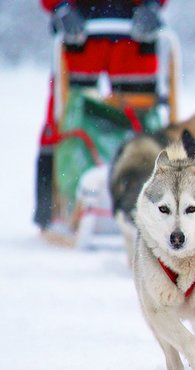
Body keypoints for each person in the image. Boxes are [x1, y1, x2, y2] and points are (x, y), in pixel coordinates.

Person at [34, 0, 167, 230]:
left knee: (143, 119)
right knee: (65, 115)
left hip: (134, 32)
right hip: (79, 28)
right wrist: (61, 7)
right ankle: (53, 206)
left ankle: (158, 202)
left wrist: (152, 5)